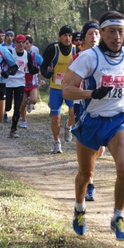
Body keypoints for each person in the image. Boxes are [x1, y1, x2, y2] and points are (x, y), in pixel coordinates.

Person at [62, 10, 124, 240]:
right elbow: (67, 88)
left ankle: (118, 218)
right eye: (112, 31)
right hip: (91, 122)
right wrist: (92, 93)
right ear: (102, 32)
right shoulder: (90, 57)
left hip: (118, 120)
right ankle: (79, 209)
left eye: (121, 32)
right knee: (86, 174)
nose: (117, 36)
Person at [65, 21, 101, 202]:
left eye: (97, 33)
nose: (94, 37)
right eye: (90, 34)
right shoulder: (77, 58)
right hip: (82, 105)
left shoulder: (108, 56)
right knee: (90, 146)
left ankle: (88, 174)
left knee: (100, 150)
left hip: (104, 108)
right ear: (83, 39)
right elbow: (67, 84)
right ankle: (89, 184)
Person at [41, 25, 80, 153]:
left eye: (70, 35)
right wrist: (47, 74)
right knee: (55, 118)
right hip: (56, 89)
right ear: (60, 37)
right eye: (65, 35)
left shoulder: (76, 50)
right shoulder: (53, 49)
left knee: (73, 114)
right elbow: (43, 66)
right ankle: (56, 142)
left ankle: (68, 126)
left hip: (70, 88)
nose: (68, 38)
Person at [4, 34, 35, 137]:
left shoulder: (28, 55)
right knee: (8, 107)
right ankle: (3, 111)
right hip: (8, 82)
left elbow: (30, 67)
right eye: (19, 42)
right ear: (15, 43)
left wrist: (35, 70)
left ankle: (13, 129)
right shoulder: (10, 52)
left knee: (17, 106)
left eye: (23, 42)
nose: (21, 44)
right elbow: (3, 64)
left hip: (20, 83)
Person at [19, 35, 44, 129]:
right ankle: (24, 120)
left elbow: (43, 66)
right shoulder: (20, 55)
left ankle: (30, 103)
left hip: (32, 83)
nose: (25, 45)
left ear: (31, 44)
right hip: (22, 82)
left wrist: (42, 78)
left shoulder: (35, 56)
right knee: (22, 103)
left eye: (27, 43)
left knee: (34, 100)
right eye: (23, 43)